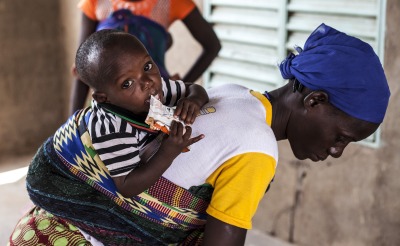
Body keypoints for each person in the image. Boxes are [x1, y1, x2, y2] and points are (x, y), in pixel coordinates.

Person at [9, 23, 390, 245]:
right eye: (342, 136)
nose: (337, 150)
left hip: (41, 226)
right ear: (315, 100)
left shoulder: (232, 92)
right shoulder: (257, 149)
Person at [69, 0, 221, 115]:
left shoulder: (170, 2)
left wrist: (179, 88)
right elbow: (83, 67)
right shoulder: (97, 2)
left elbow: (212, 46)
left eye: (147, 66)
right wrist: (72, 120)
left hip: (157, 103)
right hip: (112, 106)